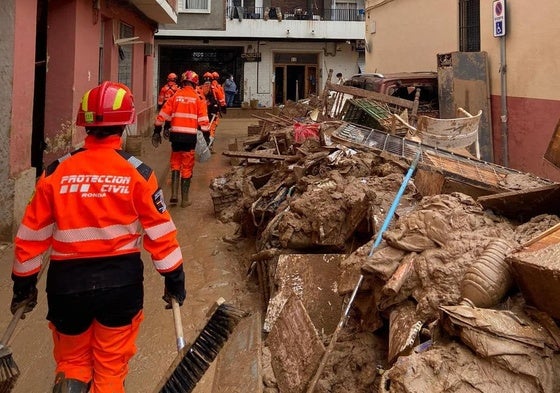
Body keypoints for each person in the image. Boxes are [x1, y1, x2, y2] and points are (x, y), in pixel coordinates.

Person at [10, 81, 186, 393]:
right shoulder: (138, 173)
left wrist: (23, 285)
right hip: (120, 284)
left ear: (85, 124)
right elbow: (160, 234)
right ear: (127, 123)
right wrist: (174, 279)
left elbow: (31, 236)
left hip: (67, 286)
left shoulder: (55, 171)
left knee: (73, 362)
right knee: (110, 366)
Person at [153, 70, 210, 207]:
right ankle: (185, 200)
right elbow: (204, 121)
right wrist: (207, 138)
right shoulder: (198, 99)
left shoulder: (175, 96)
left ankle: (173, 195)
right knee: (187, 165)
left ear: (182, 82)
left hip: (176, 137)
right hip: (190, 137)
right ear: (195, 83)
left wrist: (157, 130)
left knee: (175, 163)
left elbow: (162, 116)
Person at [157, 73, 180, 138]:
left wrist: (160, 107)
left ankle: (163, 130)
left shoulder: (164, 88)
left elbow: (161, 98)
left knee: (162, 118)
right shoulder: (177, 88)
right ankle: (168, 129)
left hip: (165, 104)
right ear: (175, 79)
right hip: (173, 105)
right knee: (171, 119)